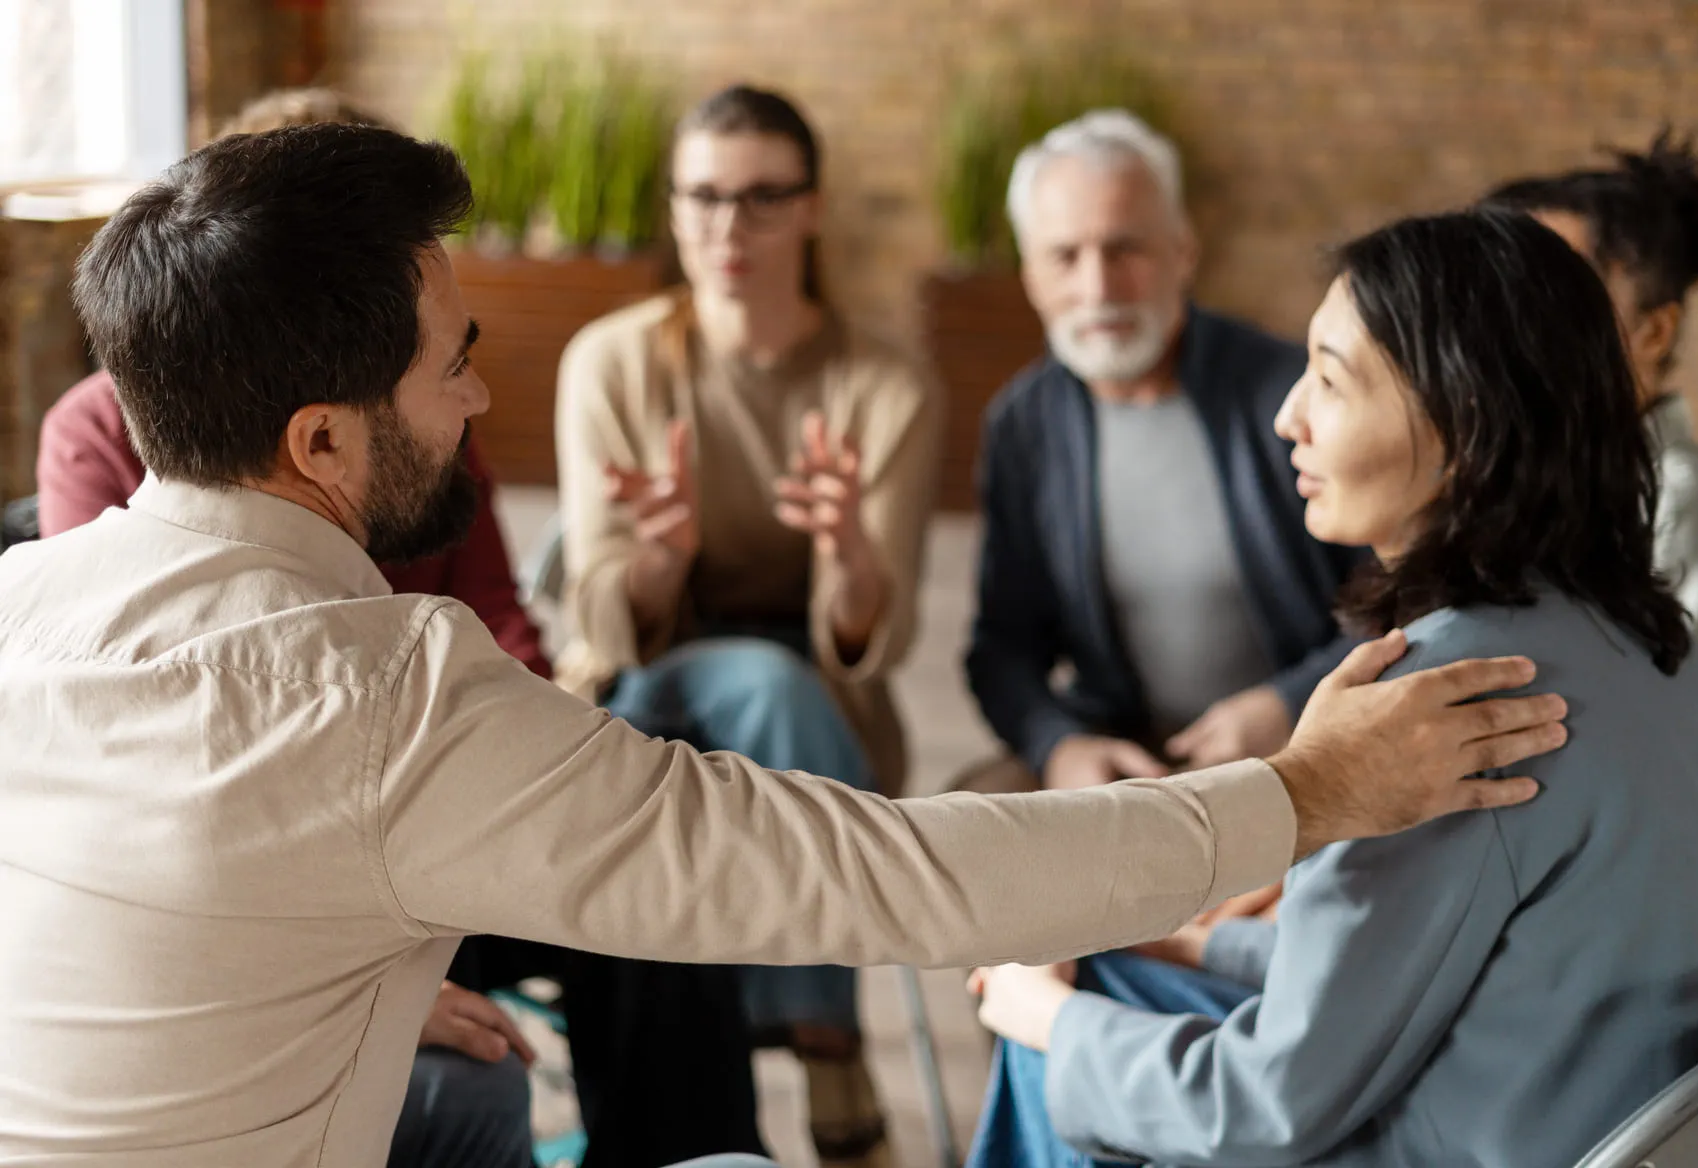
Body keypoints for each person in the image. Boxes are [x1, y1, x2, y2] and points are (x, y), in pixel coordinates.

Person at [0, 122, 1563, 1168]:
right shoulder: (387, 700)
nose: (478, 401)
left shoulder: (23, 608)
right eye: (452, 364)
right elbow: (876, 874)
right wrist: (1305, 796)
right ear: (321, 437)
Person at [965, 208, 1698, 1168]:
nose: (1286, 415)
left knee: (1056, 1042)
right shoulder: (1642, 638)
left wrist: (1045, 1018)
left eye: (1330, 381)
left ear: (1465, 428)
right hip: (1580, 1119)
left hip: (1440, 1145)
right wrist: (1206, 946)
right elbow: (1436, 966)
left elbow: (1265, 1109)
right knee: (1120, 975)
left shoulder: (1441, 705)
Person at [30, 87, 541, 1168]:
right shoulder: (370, 677)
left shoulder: (419, 422)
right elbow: (167, 757)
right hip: (281, 859)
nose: (477, 397)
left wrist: (533, 727)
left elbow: (501, 611)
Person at [552, 85, 940, 1166]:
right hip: (652, 682)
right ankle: (825, 1034)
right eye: (705, 197)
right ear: (673, 208)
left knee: (778, 690)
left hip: (829, 698)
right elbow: (596, 608)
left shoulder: (884, 379)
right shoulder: (611, 362)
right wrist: (657, 563)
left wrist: (854, 560)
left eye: (764, 197)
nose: (731, 228)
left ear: (813, 208)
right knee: (743, 698)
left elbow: (876, 638)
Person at [963, 110, 1363, 806]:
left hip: (1302, 751)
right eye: (1066, 257)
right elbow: (1002, 649)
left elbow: (1402, 598)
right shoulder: (1022, 426)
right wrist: (1060, 745)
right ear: (1030, 275)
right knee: (957, 820)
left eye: (1125, 250)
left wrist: (1288, 704)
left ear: (1183, 250)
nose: (1097, 288)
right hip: (1130, 759)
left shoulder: (1291, 393)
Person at [1485, 130, 1698, 722]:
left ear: (1653, 332)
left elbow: (1667, 742)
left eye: (1558, 297)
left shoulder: (1692, 503)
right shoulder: (1511, 491)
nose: (1514, 327)